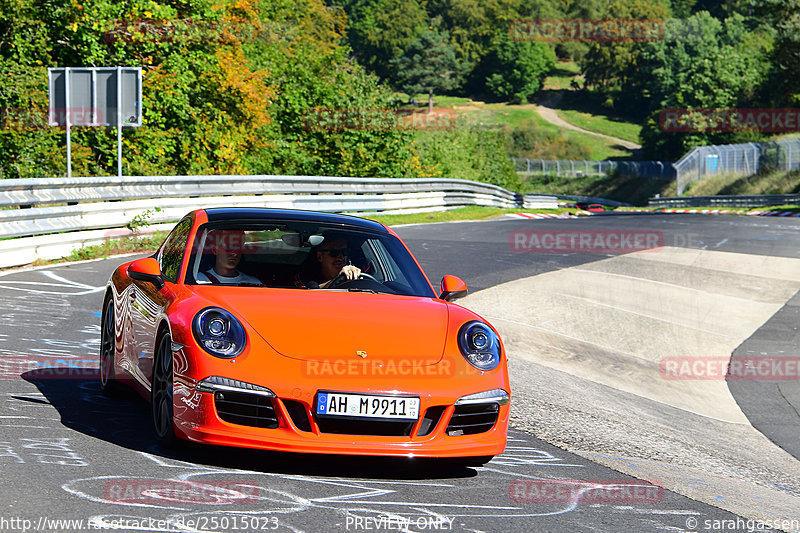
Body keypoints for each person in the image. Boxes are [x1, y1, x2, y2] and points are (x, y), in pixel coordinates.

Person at [196, 229, 262, 285]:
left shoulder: (254, 284)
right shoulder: (198, 281)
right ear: (215, 250)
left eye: (238, 248)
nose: (235, 253)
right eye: (229, 247)